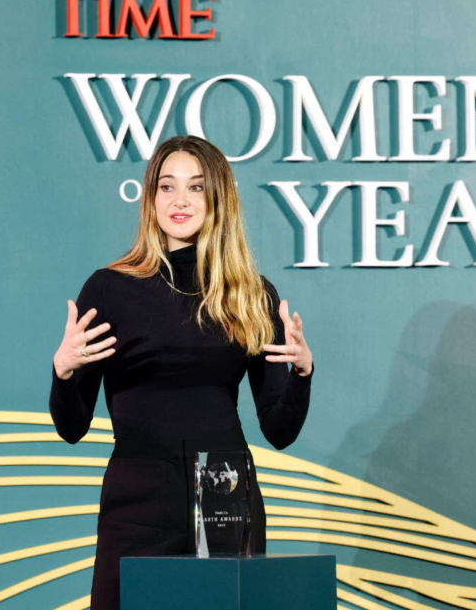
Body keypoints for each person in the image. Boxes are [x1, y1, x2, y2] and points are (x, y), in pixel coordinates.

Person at [49, 135, 314, 610]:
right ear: (150, 199)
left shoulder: (250, 294)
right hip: (137, 498)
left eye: (196, 187)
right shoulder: (110, 288)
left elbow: (279, 430)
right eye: (166, 187)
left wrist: (302, 373)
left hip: (225, 492)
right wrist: (64, 372)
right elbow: (71, 428)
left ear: (218, 199)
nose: (180, 200)